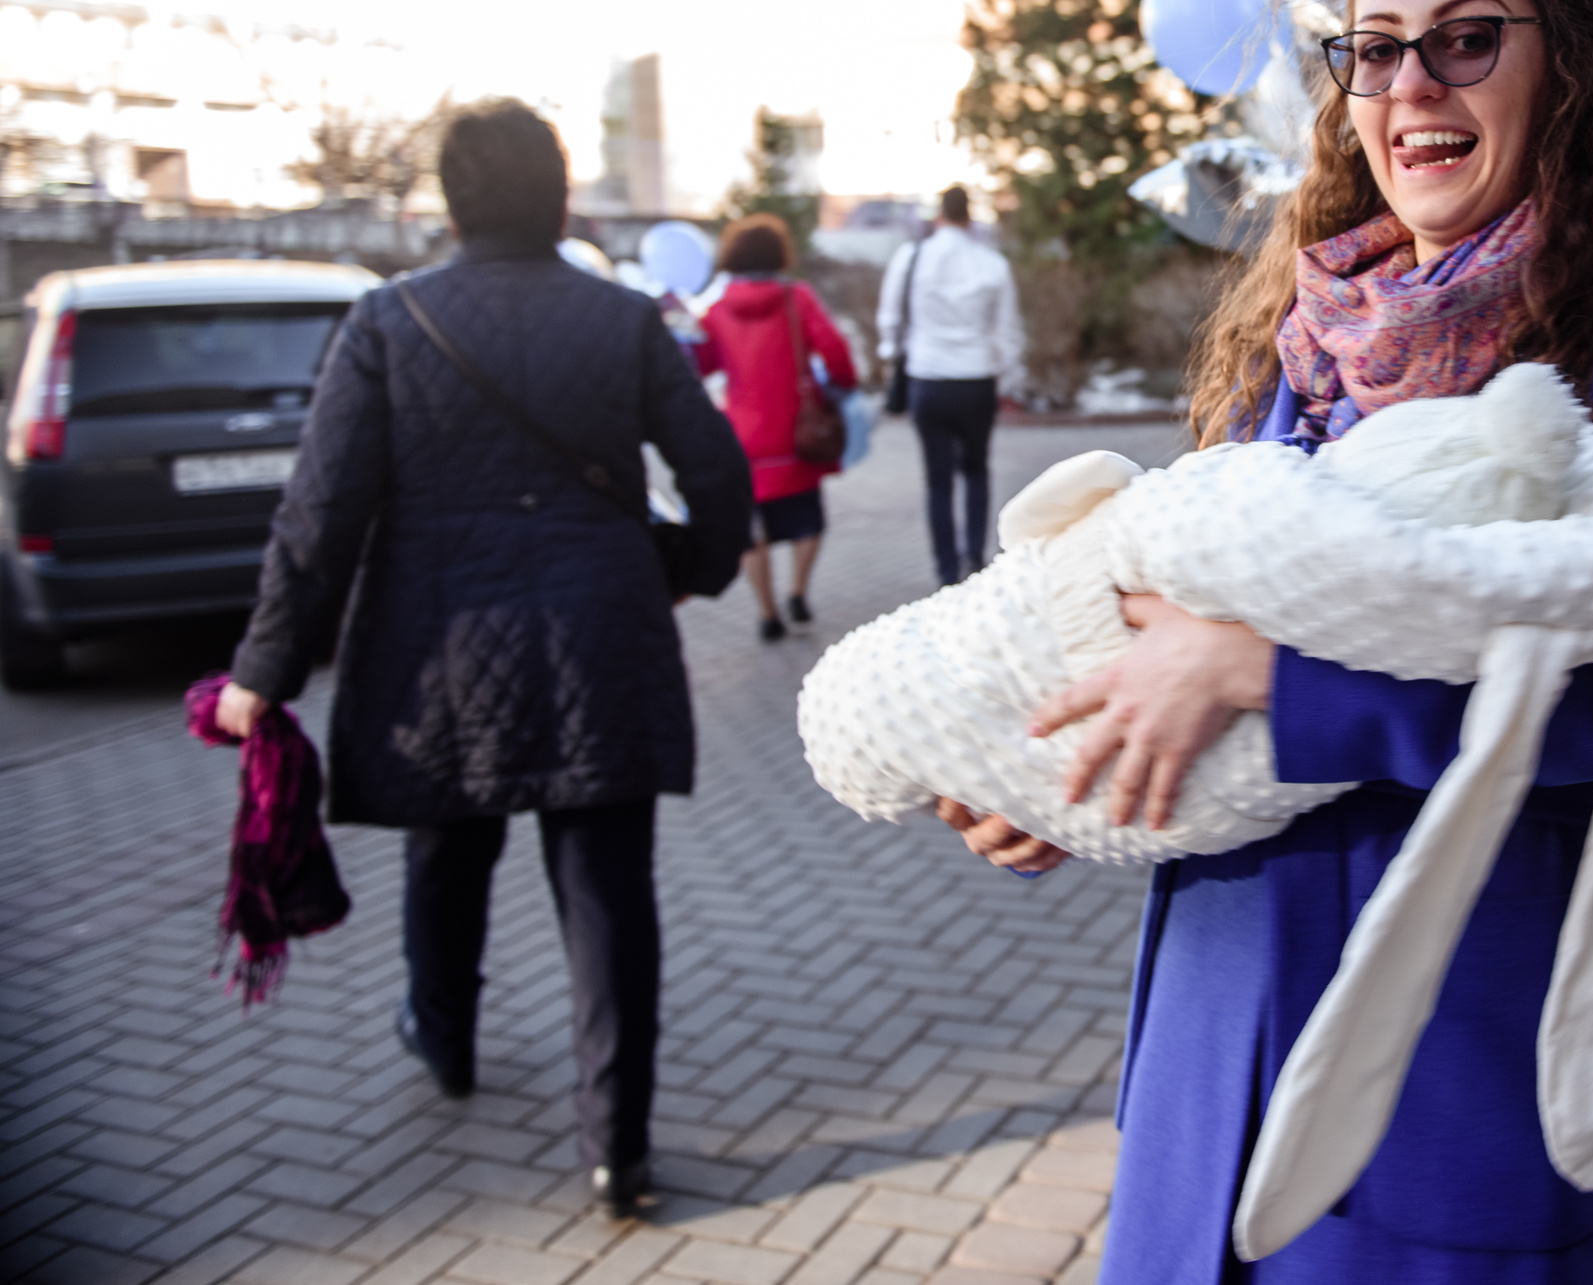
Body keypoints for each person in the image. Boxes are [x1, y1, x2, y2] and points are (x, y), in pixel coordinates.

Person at [936, 0, 1593, 1281]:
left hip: (1434, 1077)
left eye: (1467, 36)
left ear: (1564, 60)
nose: (1409, 81)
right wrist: (1074, 777)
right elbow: (1176, 629)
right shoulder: (1300, 343)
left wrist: (1271, 681)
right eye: (1374, 45)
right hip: (1212, 1052)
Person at [213, 100, 754, 1219]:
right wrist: (688, 570)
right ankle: (619, 1144)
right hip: (601, 633)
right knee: (608, 891)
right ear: (560, 194)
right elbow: (720, 472)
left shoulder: (386, 322)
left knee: (444, 857)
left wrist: (260, 669)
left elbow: (319, 515)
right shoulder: (623, 319)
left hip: (435, 646)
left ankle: (444, 1037)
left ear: (448, 204)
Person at [695, 213, 858, 641]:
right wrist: (842, 386)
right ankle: (798, 590)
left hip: (743, 439)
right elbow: (834, 348)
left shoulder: (716, 309)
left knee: (753, 534)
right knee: (809, 522)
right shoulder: (796, 298)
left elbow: (702, 364)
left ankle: (767, 614)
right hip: (796, 433)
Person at [878, 185, 1024, 586]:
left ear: (938, 216)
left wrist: (894, 358)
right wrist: (1007, 377)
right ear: (970, 218)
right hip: (976, 380)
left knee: (937, 480)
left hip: (927, 379)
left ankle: (945, 571)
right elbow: (1007, 332)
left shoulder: (911, 258)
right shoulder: (992, 263)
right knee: (976, 470)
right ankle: (974, 558)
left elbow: (890, 321)